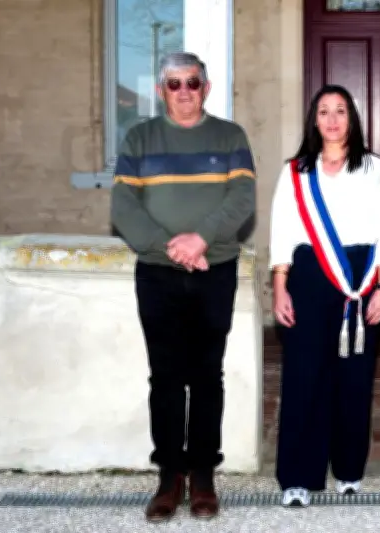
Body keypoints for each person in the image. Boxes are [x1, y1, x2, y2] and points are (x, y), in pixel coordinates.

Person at [110, 51, 256, 522]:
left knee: (207, 375)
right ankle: (169, 475)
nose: (185, 91)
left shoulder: (230, 137)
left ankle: (203, 474)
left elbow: (242, 197)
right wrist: (167, 246)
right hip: (157, 274)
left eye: (193, 82)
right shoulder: (139, 138)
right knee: (166, 377)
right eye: (174, 84)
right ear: (161, 91)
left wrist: (200, 239)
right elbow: (123, 205)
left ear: (206, 88)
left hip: (215, 270)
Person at [269, 84, 380, 508]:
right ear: (313, 119)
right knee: (305, 377)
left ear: (352, 119)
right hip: (309, 277)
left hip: (360, 279)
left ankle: (348, 470)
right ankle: (298, 477)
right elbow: (282, 232)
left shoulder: (374, 169)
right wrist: (279, 287)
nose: (331, 119)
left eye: (340, 110)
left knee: (354, 379)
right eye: (323, 111)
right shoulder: (295, 171)